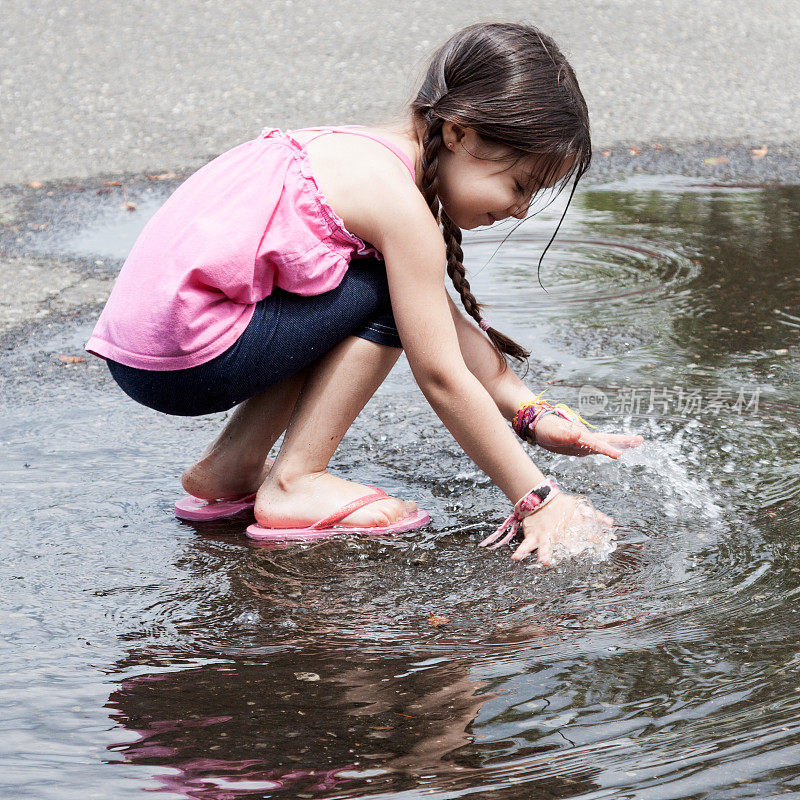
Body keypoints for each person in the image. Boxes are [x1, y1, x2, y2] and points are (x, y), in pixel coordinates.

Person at [85, 22, 643, 563]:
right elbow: (442, 374)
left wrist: (533, 414)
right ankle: (295, 481)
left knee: (381, 292)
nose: (521, 210)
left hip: (147, 348)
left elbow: (442, 325)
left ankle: (231, 467)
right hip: (186, 361)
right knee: (383, 293)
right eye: (519, 185)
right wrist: (536, 498)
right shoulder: (397, 204)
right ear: (459, 132)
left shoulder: (360, 151)